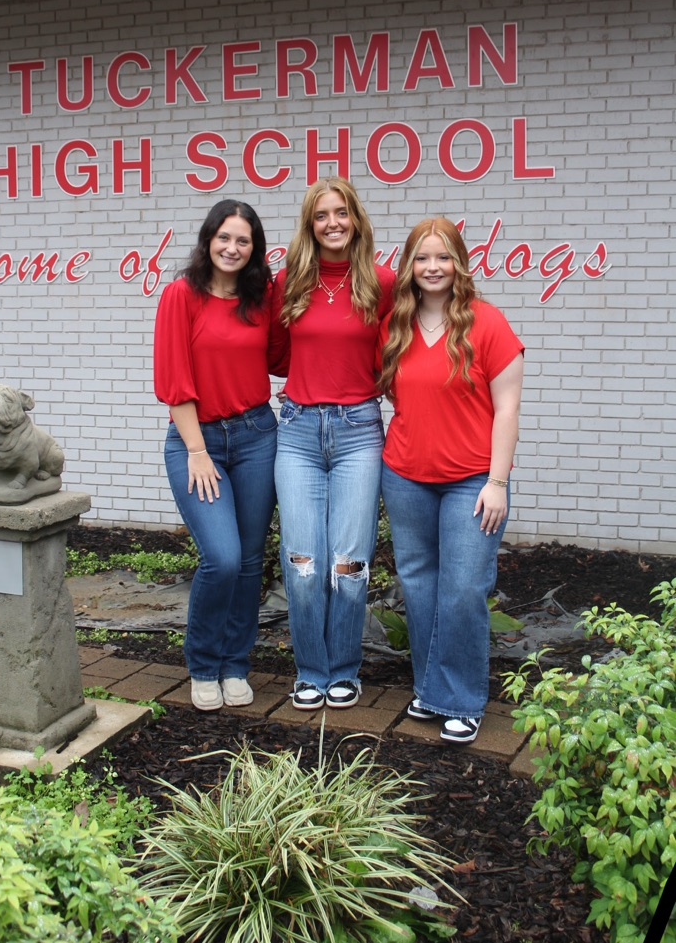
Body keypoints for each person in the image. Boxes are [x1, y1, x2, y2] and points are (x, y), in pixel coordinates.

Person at [378, 217, 524, 744]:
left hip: (472, 482)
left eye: (442, 257)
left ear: (459, 262)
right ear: (410, 266)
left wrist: (498, 482)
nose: (432, 267)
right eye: (422, 258)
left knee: (463, 588)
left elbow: (506, 410)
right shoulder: (396, 324)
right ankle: (429, 688)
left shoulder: (486, 323)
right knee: (418, 585)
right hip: (405, 475)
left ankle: (461, 698)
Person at [153, 200, 287, 712]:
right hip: (196, 439)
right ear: (208, 239)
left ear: (255, 249)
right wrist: (196, 450)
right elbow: (174, 381)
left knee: (250, 562)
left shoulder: (260, 296)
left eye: (243, 241)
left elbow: (280, 355)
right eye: (224, 237)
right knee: (222, 557)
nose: (232, 248)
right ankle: (204, 663)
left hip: (257, 435)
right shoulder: (180, 296)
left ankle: (236, 664)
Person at [274, 177, 395, 711]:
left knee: (348, 563)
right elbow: (275, 354)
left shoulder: (381, 282)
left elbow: (396, 357)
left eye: (341, 213)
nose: (333, 224)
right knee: (302, 564)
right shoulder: (289, 282)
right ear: (310, 224)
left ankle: (343, 668)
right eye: (321, 215)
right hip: (297, 432)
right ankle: (310, 670)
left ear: (356, 219)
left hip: (358, 432)